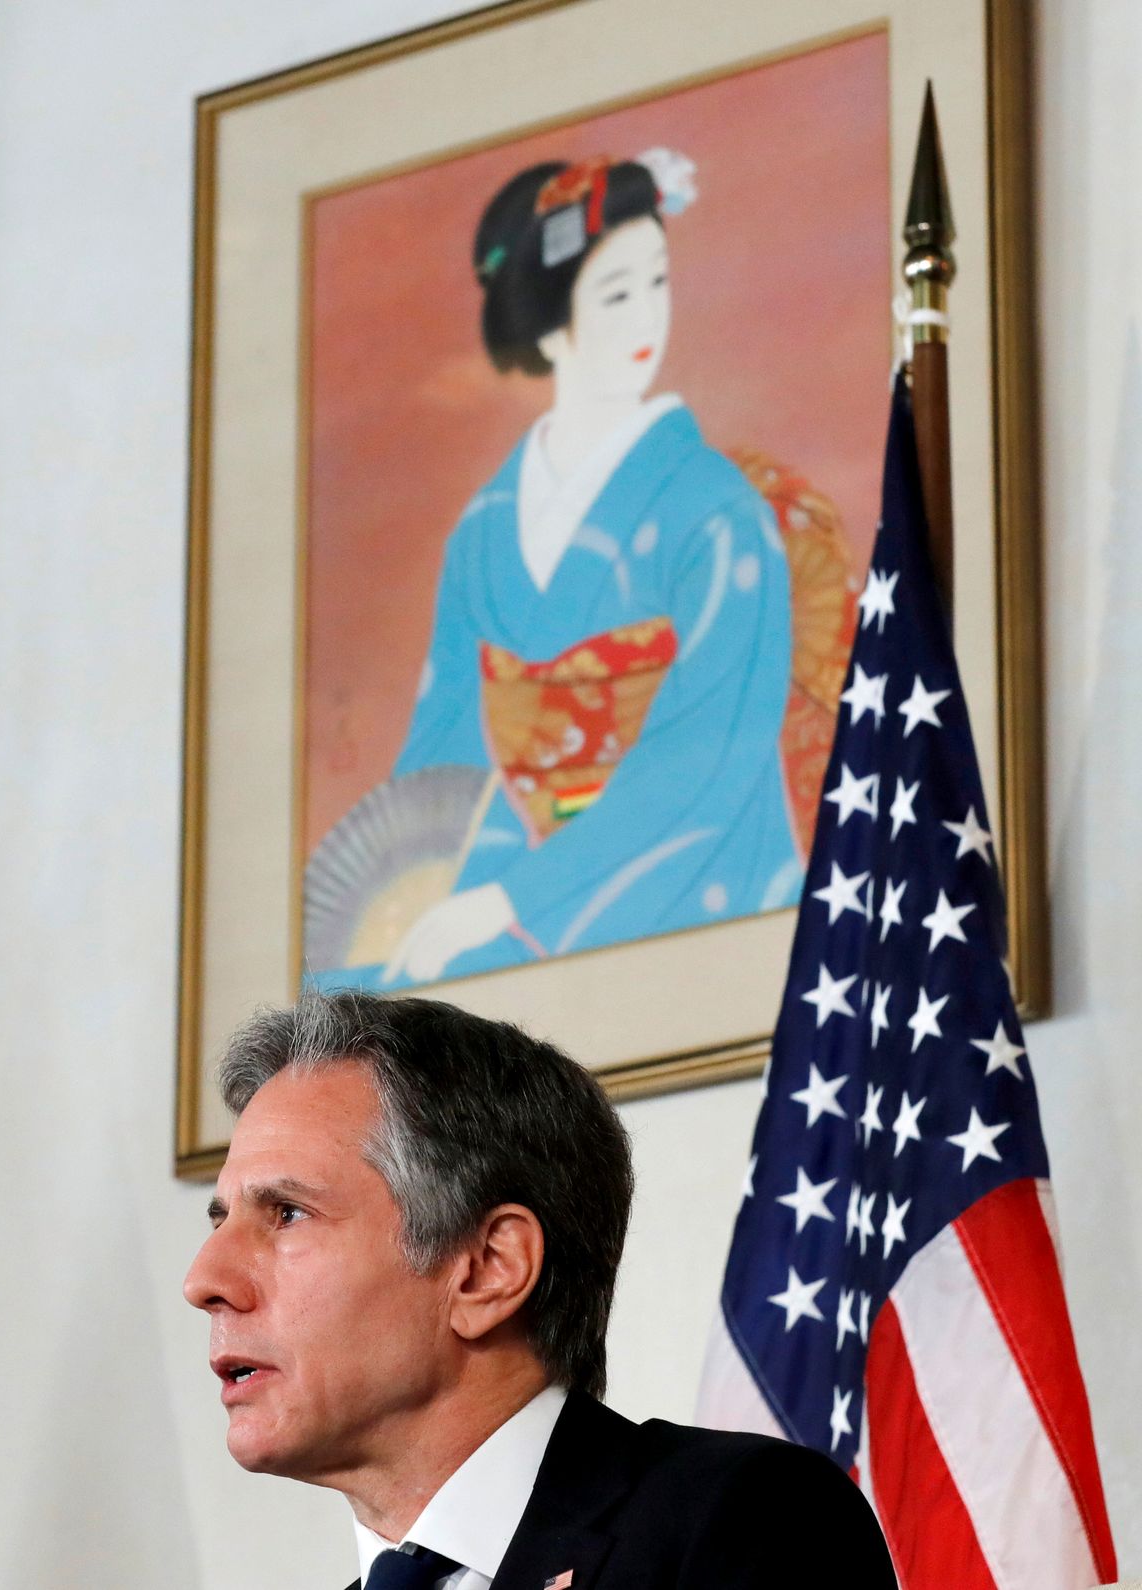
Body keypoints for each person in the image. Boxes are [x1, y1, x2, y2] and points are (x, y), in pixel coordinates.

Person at [184, 991, 897, 1588]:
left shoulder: (742, 1524)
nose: (204, 1281)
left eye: (287, 1213)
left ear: (488, 1269)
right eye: (221, 1219)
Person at [314, 153, 802, 992]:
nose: (649, 313)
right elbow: (446, 762)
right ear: (548, 325)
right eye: (616, 294)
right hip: (518, 866)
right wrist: (416, 900)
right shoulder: (483, 533)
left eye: (658, 280)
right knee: (353, 987)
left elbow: (709, 761)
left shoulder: (714, 510)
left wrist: (509, 900)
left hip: (687, 867)